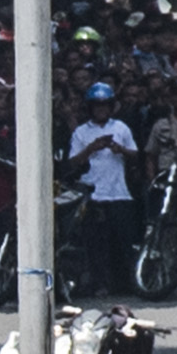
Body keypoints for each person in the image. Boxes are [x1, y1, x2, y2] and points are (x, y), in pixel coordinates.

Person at [65, 81, 139, 294]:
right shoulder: (81, 132)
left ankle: (125, 283)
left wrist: (119, 149)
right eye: (97, 106)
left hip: (118, 193)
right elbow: (72, 162)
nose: (101, 110)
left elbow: (135, 154)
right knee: (96, 243)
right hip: (92, 194)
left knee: (122, 242)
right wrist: (91, 148)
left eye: (105, 105)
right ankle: (100, 283)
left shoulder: (120, 128)